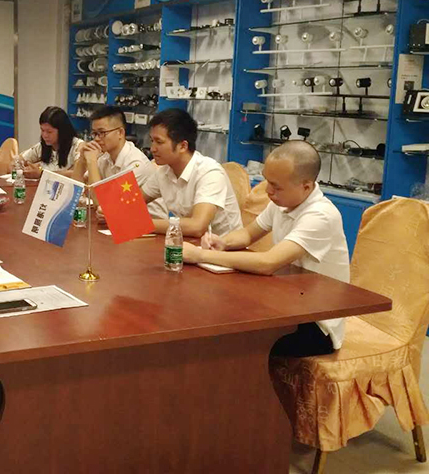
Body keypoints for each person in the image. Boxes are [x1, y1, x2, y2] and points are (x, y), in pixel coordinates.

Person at [182, 141, 350, 357]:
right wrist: (223, 242)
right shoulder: (282, 203)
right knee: (211, 313)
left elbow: (267, 263)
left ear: (306, 187)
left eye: (276, 186)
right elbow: (248, 234)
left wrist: (201, 255)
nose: (268, 191)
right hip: (286, 302)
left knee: (225, 337)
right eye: (267, 181)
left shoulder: (320, 215)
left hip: (315, 323)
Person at [141, 109, 242, 237]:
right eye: (152, 141)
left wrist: (143, 224)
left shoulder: (209, 172)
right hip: (188, 242)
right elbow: (131, 203)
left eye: (159, 142)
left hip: (224, 246)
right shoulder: (163, 172)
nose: (152, 149)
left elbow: (197, 226)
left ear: (183, 146)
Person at [71, 105, 166, 218]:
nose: (96, 139)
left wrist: (91, 162)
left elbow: (103, 205)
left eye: (102, 133)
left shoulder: (135, 164)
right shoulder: (105, 157)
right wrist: (82, 160)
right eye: (94, 133)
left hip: (148, 224)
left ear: (120, 132)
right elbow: (74, 190)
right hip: (120, 219)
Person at [20, 106, 84, 178]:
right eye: (42, 130)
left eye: (49, 132)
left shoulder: (77, 146)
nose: (44, 135)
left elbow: (78, 173)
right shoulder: (41, 146)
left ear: (62, 131)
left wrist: (42, 174)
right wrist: (22, 166)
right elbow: (20, 159)